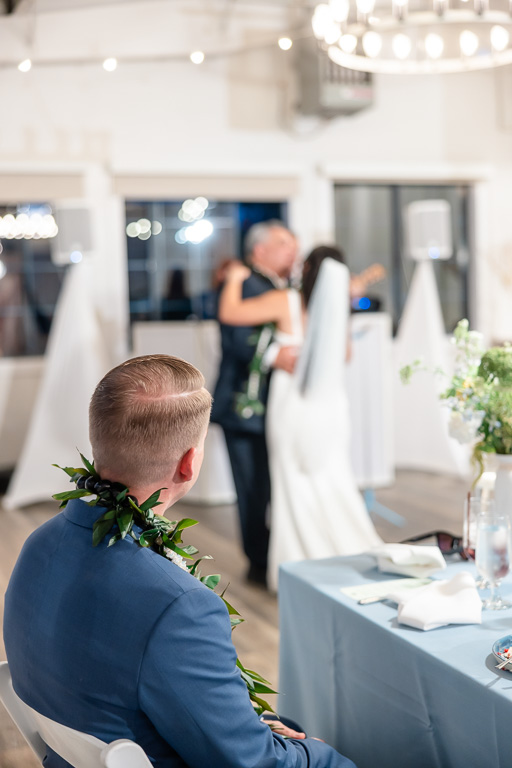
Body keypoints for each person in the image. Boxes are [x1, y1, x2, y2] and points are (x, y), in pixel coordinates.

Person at [3, 354, 356, 768]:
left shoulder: (39, 543)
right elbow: (254, 763)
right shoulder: (179, 606)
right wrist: (316, 751)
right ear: (189, 464)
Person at [219, 246, 382, 592]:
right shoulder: (339, 308)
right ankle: (343, 548)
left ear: (307, 269)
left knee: (292, 480)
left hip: (293, 401)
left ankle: (299, 561)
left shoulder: (285, 300)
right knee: (332, 475)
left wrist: (233, 279)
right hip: (331, 405)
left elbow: (230, 312)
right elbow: (346, 356)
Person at [211, 220, 298, 587]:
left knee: (270, 484)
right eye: (283, 243)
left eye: (294, 244)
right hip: (243, 409)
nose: (292, 251)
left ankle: (271, 552)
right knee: (251, 488)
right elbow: (236, 341)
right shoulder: (247, 284)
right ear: (260, 250)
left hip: (274, 407)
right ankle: (258, 561)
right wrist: (274, 357)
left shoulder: (281, 288)